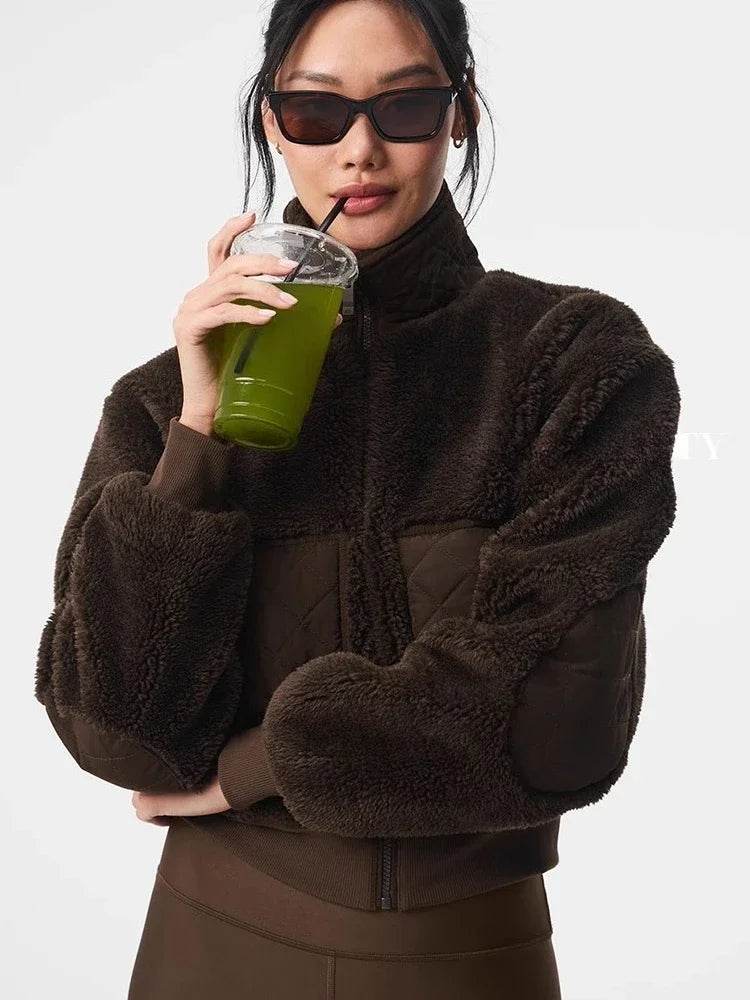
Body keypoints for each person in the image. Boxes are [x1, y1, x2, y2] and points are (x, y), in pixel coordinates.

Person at [34, 1, 681, 998]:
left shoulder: (572, 361)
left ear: (460, 113)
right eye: (316, 113)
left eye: (407, 106)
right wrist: (201, 438)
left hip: (470, 957)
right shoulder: (160, 401)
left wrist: (248, 773)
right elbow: (116, 730)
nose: (359, 151)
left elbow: (559, 721)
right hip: (210, 948)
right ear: (272, 121)